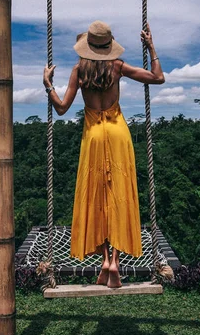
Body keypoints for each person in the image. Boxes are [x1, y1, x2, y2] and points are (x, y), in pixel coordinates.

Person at [43, 20, 164, 288]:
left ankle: (105, 260)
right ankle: (115, 262)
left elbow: (62, 108)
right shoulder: (117, 67)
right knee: (118, 194)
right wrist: (151, 47)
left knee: (96, 196)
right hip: (118, 133)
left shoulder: (78, 70)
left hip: (94, 137)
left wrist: (48, 84)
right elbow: (158, 77)